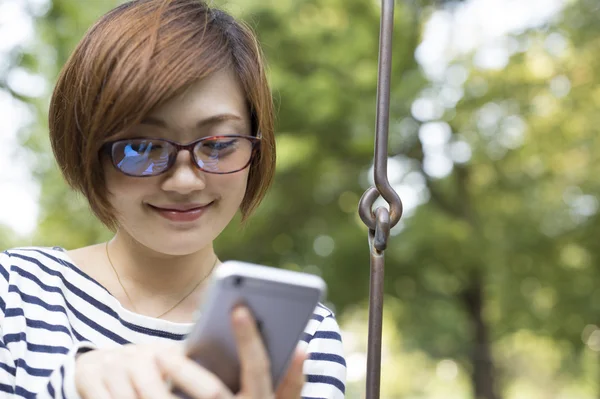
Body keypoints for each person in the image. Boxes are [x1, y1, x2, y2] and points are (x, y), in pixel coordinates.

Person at [0, 0, 347, 398]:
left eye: (218, 144)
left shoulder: (303, 333)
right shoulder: (16, 294)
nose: (184, 181)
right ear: (88, 153)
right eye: (141, 147)